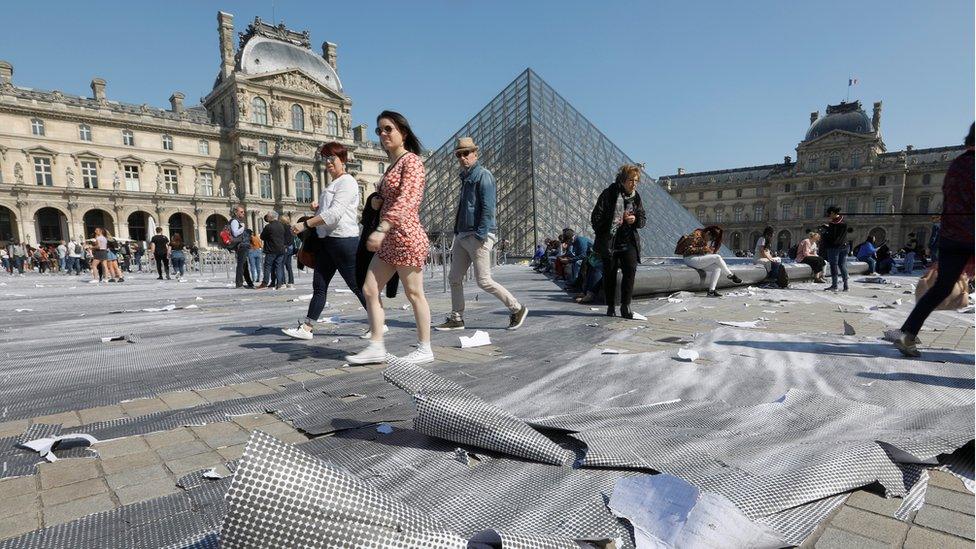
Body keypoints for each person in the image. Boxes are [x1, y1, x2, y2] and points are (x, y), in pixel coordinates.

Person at [346, 111, 433, 365]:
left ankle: (425, 347)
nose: (383, 134)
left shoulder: (412, 162)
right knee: (369, 289)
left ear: (403, 133)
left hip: (405, 235)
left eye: (388, 129)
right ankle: (376, 345)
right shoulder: (393, 166)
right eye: (379, 130)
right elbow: (392, 198)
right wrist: (376, 200)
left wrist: (382, 228)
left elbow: (409, 199)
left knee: (414, 293)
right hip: (390, 238)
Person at [892, 124, 974, 357]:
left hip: (951, 235)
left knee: (940, 288)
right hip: (970, 232)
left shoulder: (957, 164)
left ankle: (908, 333)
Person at [435, 137, 528, 331]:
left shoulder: (483, 175)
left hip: (477, 235)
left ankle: (517, 308)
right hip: (462, 235)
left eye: (466, 153)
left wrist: (481, 234)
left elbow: (488, 207)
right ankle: (457, 317)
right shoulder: (465, 176)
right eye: (459, 154)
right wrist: (458, 232)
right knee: (454, 278)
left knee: (484, 280)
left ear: (475, 154)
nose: (462, 157)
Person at [284, 142, 368, 340]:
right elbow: (328, 212)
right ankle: (307, 327)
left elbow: (336, 214)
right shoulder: (333, 183)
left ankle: (378, 322)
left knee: (356, 285)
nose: (329, 163)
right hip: (327, 241)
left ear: (343, 160)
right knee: (319, 286)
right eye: (326, 159)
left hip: (343, 241)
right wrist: (318, 208)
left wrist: (306, 225)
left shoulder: (347, 182)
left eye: (333, 158)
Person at [591, 163, 647, 319]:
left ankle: (625, 306)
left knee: (630, 271)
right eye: (631, 180)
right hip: (611, 242)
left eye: (636, 180)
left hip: (629, 240)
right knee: (609, 275)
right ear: (622, 180)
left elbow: (643, 219)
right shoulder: (609, 194)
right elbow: (596, 218)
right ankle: (610, 306)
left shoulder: (636, 197)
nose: (634, 183)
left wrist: (635, 220)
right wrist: (614, 221)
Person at [355, 192, 399, 338]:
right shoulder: (369, 215)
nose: (376, 200)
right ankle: (377, 327)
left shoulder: (388, 211)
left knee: (414, 292)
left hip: (382, 250)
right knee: (370, 290)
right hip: (369, 251)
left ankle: (378, 327)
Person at [681, 226, 742, 297]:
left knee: (717, 268)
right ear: (708, 233)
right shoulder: (695, 234)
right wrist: (705, 249)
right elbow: (688, 249)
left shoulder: (704, 236)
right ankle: (730, 275)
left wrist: (708, 251)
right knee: (717, 257)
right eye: (711, 238)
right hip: (690, 258)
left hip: (698, 259)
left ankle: (711, 291)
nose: (710, 240)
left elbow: (702, 251)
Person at [821, 206, 850, 291]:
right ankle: (846, 286)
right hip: (845, 246)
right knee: (842, 265)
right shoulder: (844, 221)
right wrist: (828, 227)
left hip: (834, 247)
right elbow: (838, 232)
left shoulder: (833, 224)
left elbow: (832, 236)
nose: (829, 216)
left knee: (834, 266)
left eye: (829, 214)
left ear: (833, 213)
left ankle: (834, 286)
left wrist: (825, 231)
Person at [257, 211, 286, 290]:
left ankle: (264, 283)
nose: (267, 218)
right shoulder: (281, 226)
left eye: (268, 216)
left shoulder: (268, 227)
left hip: (271, 249)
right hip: (281, 250)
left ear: (271, 217)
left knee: (267, 266)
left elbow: (262, 237)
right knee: (279, 266)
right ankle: (279, 283)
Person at [230, 205, 254, 289]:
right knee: (241, 264)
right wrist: (243, 227)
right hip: (241, 245)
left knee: (244, 264)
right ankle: (239, 283)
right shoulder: (234, 221)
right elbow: (235, 233)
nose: (243, 213)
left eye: (243, 212)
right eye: (241, 212)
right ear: (236, 212)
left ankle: (249, 283)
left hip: (243, 245)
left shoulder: (238, 221)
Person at [280, 214, 296, 288]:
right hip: (291, 247)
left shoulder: (283, 228)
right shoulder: (291, 228)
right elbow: (292, 238)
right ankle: (291, 281)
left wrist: (284, 245)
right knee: (289, 265)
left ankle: (283, 282)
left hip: (285, 247)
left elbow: (284, 239)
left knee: (281, 265)